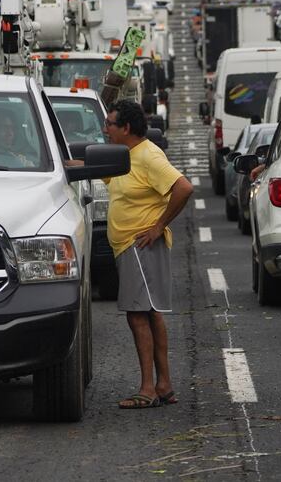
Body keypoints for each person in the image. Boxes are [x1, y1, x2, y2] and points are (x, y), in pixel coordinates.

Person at [101, 101, 194, 409]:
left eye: (110, 124)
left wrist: (158, 226)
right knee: (149, 312)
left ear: (126, 127)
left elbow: (183, 187)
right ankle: (163, 384)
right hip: (128, 246)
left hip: (139, 245)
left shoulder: (148, 155)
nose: (105, 129)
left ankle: (148, 388)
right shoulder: (123, 156)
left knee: (139, 315)